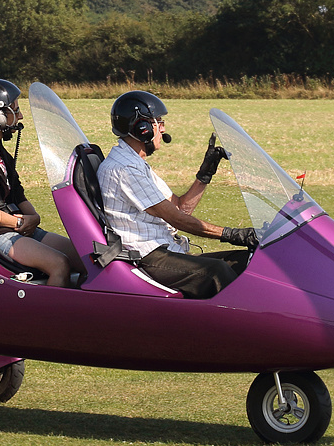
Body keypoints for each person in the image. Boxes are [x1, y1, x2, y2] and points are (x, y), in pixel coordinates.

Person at [96, 90, 258, 298]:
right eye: (159, 122)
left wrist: (205, 173)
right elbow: (176, 218)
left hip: (162, 249)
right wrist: (233, 235)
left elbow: (181, 208)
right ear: (142, 128)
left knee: (245, 261)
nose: (163, 129)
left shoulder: (135, 164)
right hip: (146, 256)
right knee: (216, 273)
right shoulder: (124, 169)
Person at [0, 79, 81, 288]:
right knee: (59, 264)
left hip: (18, 227)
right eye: (16, 110)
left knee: (85, 258)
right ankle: (48, 319)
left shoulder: (1, 153)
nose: (20, 116)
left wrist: (34, 217)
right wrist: (19, 223)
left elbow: (18, 196)